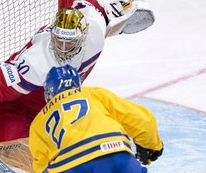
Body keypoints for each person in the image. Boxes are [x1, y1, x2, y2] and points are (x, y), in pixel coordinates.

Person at [0, 0, 155, 143]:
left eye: (69, 42)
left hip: (57, 108)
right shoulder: (39, 59)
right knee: (4, 155)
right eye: (59, 40)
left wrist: (126, 12)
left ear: (82, 36)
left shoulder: (94, 24)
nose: (62, 47)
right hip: (18, 105)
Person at [29, 65, 164, 173]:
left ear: (48, 92)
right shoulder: (94, 94)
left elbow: (41, 165)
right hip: (117, 153)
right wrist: (151, 147)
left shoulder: (38, 122)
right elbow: (142, 119)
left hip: (72, 165)